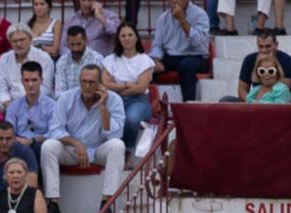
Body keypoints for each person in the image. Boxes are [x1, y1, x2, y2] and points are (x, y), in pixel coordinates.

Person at [42, 64, 125, 213]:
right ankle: (53, 202)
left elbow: (114, 134)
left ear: (100, 84)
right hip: (72, 151)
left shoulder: (114, 100)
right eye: (83, 81)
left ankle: (106, 201)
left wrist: (103, 107)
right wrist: (76, 143)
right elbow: (55, 129)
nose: (87, 86)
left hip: (98, 149)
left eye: (91, 82)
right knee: (48, 146)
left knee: (118, 146)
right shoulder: (66, 98)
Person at [102, 23, 153, 152]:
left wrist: (116, 86)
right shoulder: (111, 59)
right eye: (123, 35)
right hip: (114, 99)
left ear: (136, 37)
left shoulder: (145, 60)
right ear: (118, 39)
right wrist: (126, 84)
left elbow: (141, 88)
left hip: (138, 100)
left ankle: (128, 151)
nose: (127, 38)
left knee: (131, 119)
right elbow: (105, 84)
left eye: (130, 35)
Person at [149, 0, 210, 103]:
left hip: (196, 56)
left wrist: (182, 20)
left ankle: (188, 107)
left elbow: (198, 43)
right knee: (147, 66)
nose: (174, 1)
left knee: (186, 66)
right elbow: (157, 45)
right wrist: (156, 60)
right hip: (172, 56)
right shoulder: (163, 18)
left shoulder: (200, 14)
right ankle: (152, 106)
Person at [0, 121, 39, 206]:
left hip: (18, 198)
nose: (4, 142)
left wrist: (13, 198)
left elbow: (32, 182)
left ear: (14, 138)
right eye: (0, 138)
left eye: (8, 138)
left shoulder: (25, 152)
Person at [5, 62, 55, 168]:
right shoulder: (14, 106)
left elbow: (53, 132)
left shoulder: (52, 106)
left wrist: (31, 141)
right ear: (22, 82)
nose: (30, 84)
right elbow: (9, 129)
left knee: (38, 148)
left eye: (34, 80)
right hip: (18, 142)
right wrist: (18, 140)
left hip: (39, 144)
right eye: (27, 80)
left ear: (41, 80)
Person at [0, 24, 54, 110]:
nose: (18, 44)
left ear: (30, 39)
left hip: (37, 102)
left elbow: (45, 88)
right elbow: (1, 88)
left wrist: (25, 105)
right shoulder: (4, 58)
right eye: (14, 41)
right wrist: (10, 106)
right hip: (10, 103)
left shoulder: (44, 58)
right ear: (10, 43)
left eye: (22, 40)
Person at [237, 29, 291, 101]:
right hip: (255, 101)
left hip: (279, 102)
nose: (264, 50)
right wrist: (251, 104)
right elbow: (242, 89)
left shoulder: (287, 61)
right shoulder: (249, 59)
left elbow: (283, 90)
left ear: (276, 44)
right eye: (260, 46)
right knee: (227, 99)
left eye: (268, 46)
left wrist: (258, 105)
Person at [54, 25, 105, 95]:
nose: (75, 48)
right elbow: (59, 91)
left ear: (86, 41)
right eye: (72, 44)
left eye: (78, 44)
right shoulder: (62, 61)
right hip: (68, 103)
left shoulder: (98, 59)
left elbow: (101, 88)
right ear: (67, 43)